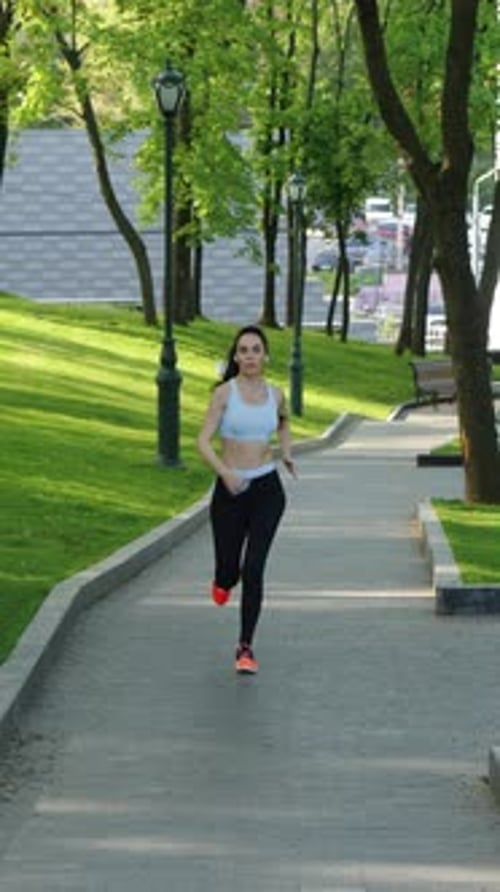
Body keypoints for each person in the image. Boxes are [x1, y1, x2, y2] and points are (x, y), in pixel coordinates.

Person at [197, 324, 296, 675]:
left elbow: (283, 423)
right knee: (230, 571)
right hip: (230, 492)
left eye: (256, 350)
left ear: (265, 356)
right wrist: (225, 472)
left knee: (254, 568)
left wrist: (285, 453)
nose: (250, 356)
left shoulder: (277, 394)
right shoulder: (224, 394)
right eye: (243, 350)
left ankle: (245, 646)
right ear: (236, 357)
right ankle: (223, 581)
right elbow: (203, 442)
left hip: (267, 491)